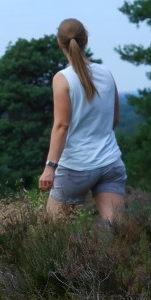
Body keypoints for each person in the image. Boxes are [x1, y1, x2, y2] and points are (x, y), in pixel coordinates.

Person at [37, 18, 126, 223]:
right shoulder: (106, 73)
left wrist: (50, 167)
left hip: (75, 167)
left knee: (53, 233)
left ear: (59, 43)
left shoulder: (62, 78)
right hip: (111, 163)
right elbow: (114, 118)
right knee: (115, 229)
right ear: (86, 39)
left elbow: (61, 126)